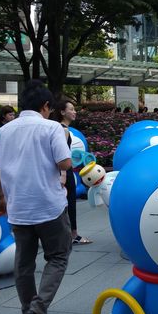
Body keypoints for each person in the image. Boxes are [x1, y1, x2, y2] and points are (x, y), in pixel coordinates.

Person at [0, 80, 72, 314]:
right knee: (57, 257)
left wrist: (0, 197)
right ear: (46, 106)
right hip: (49, 206)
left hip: (18, 208)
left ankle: (28, 309)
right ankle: (39, 306)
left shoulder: (3, 131)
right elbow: (64, 163)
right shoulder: (52, 128)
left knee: (23, 263)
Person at [51, 100, 92, 245]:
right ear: (62, 112)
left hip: (57, 171)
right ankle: (73, 234)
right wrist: (63, 175)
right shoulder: (63, 130)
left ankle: (65, 233)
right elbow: (62, 154)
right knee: (69, 203)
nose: (74, 112)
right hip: (64, 171)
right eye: (72, 109)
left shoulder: (55, 128)